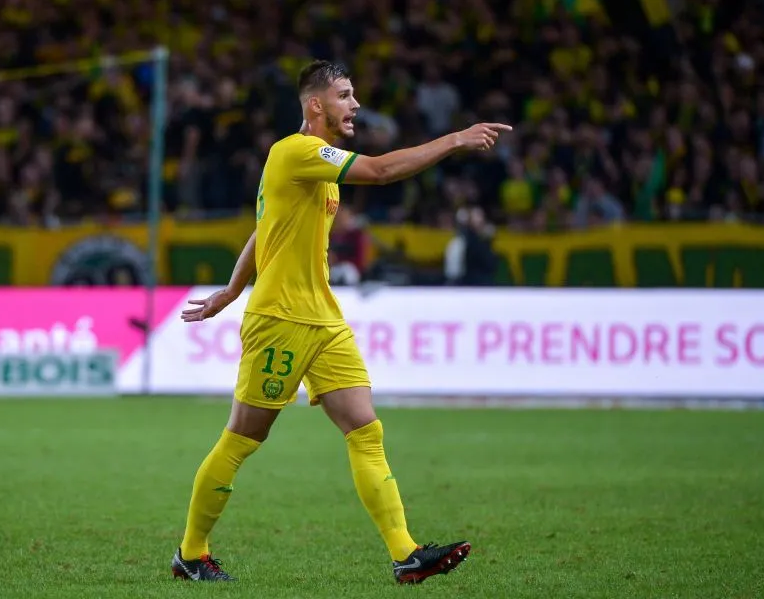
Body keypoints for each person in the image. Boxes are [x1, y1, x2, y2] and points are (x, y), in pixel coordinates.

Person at [171, 60, 512, 585]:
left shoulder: (315, 169)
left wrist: (231, 289)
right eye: (346, 95)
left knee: (365, 428)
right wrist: (455, 140)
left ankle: (406, 553)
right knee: (243, 437)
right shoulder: (296, 151)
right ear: (316, 105)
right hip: (282, 319)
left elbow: (266, 231)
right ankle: (191, 554)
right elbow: (378, 171)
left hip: (324, 319)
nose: (355, 105)